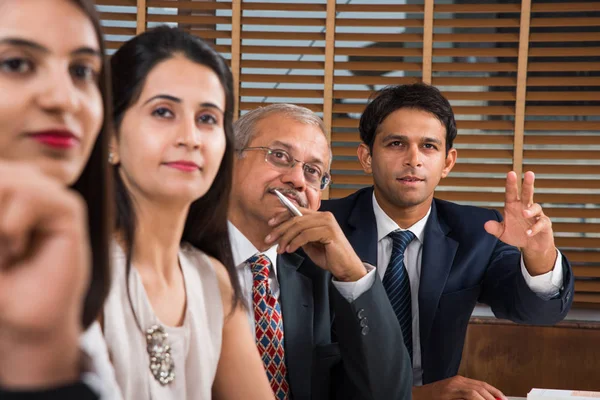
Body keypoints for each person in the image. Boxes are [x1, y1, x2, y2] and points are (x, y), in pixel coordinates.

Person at [320, 83, 574, 400]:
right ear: (367, 156)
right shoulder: (325, 228)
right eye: (396, 143)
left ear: (448, 162)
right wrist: (414, 396)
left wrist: (540, 254)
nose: (413, 159)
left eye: (428, 146)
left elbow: (538, 313)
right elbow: (306, 361)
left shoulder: (477, 231)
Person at [102, 26, 273, 399]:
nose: (191, 137)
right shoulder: (75, 275)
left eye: (208, 118)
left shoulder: (211, 279)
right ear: (110, 137)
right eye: (164, 112)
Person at [229, 103, 413, 400]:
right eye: (279, 156)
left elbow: (390, 394)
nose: (298, 180)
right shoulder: (176, 258)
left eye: (313, 171)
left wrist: (353, 274)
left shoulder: (324, 275)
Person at [0, 0, 115, 398]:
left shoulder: (63, 259)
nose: (65, 100)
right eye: (16, 64)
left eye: (82, 71)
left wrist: (38, 354)